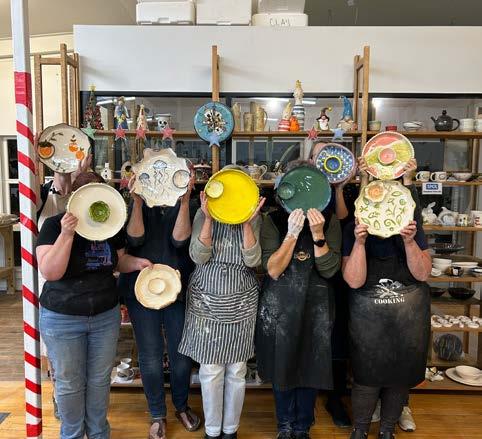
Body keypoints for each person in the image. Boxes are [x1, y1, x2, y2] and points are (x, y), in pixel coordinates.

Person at [37, 172, 152, 439]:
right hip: (62, 316)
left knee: (100, 380)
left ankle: (99, 432)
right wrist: (67, 234)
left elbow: (117, 261)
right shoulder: (54, 225)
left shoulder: (111, 226)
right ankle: (72, 434)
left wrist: (137, 263)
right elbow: (50, 271)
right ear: (75, 198)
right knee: (69, 382)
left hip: (104, 315)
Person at [342, 159, 432, 439]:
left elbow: (423, 273)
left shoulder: (410, 228)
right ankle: (359, 430)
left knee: (400, 375)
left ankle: (387, 430)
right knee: (366, 375)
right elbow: (353, 280)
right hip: (368, 317)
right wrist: (359, 243)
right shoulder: (354, 229)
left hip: (408, 316)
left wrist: (409, 241)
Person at [256, 161, 342, 439]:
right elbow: (273, 269)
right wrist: (292, 234)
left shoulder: (328, 220)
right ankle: (284, 425)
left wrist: (317, 235)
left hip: (317, 305)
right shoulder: (273, 220)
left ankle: (303, 426)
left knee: (311, 364)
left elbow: (329, 269)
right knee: (283, 364)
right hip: (280, 305)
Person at [178, 184, 265, 439]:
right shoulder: (203, 213)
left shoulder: (253, 216)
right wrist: (207, 219)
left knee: (237, 371)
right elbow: (198, 256)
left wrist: (247, 223)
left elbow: (253, 260)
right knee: (210, 370)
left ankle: (230, 430)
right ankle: (213, 430)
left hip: (241, 300)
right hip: (206, 299)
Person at [118, 174, 201, 439]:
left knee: (181, 355)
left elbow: (179, 241)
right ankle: (157, 413)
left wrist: (185, 202)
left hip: (177, 289)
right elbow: (134, 239)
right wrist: (137, 202)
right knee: (150, 355)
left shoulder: (192, 204)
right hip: (142, 289)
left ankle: (181, 406)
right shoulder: (138, 202)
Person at [35, 133, 93, 420]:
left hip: (82, 282)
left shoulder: (82, 193)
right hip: (50, 282)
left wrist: (78, 174)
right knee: (56, 354)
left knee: (82, 359)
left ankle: (76, 400)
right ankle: (60, 396)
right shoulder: (41, 194)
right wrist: (40, 158)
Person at [309, 142, 357, 428]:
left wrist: (338, 189)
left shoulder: (348, 190)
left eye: (328, 154)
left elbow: (344, 221)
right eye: (318, 155)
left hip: (337, 268)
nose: (324, 159)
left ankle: (335, 397)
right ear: (312, 159)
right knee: (311, 332)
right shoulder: (305, 182)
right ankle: (309, 393)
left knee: (337, 334)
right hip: (307, 268)